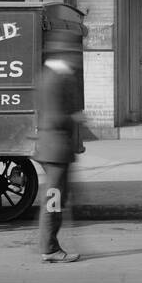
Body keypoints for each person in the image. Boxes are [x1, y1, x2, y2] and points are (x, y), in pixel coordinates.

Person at [36, 31, 84, 263]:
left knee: (56, 199)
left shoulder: (51, 74)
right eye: (73, 54)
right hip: (56, 149)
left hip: (53, 149)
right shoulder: (56, 78)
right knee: (53, 200)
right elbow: (55, 117)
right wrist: (75, 117)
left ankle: (50, 245)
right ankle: (50, 248)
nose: (76, 59)